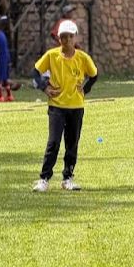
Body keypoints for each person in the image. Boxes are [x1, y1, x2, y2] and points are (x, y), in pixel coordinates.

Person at [31, 20, 98, 193]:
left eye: (70, 36)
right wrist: (44, 87)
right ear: (59, 38)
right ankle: (44, 178)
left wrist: (85, 88)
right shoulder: (52, 56)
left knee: (72, 143)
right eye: (63, 37)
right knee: (53, 142)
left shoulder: (82, 58)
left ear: (75, 37)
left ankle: (68, 177)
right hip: (57, 106)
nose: (66, 40)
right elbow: (36, 72)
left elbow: (94, 74)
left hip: (76, 106)